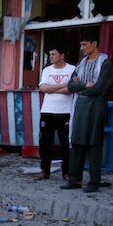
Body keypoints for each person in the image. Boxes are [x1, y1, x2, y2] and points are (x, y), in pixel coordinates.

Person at [62, 30, 113, 193]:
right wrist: (84, 85)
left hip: (96, 106)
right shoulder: (81, 64)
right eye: (81, 44)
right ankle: (74, 179)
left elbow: (99, 87)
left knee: (93, 143)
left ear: (94, 44)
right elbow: (71, 86)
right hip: (80, 106)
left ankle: (94, 181)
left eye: (85, 44)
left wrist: (81, 86)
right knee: (76, 142)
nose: (82, 48)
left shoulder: (105, 63)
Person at [35, 44, 75, 180]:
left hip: (65, 112)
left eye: (54, 54)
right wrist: (63, 85)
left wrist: (52, 88)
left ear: (62, 55)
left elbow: (71, 89)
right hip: (47, 111)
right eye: (50, 54)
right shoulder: (47, 70)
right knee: (45, 142)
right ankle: (45, 170)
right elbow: (43, 88)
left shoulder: (72, 69)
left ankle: (67, 172)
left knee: (65, 143)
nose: (51, 57)